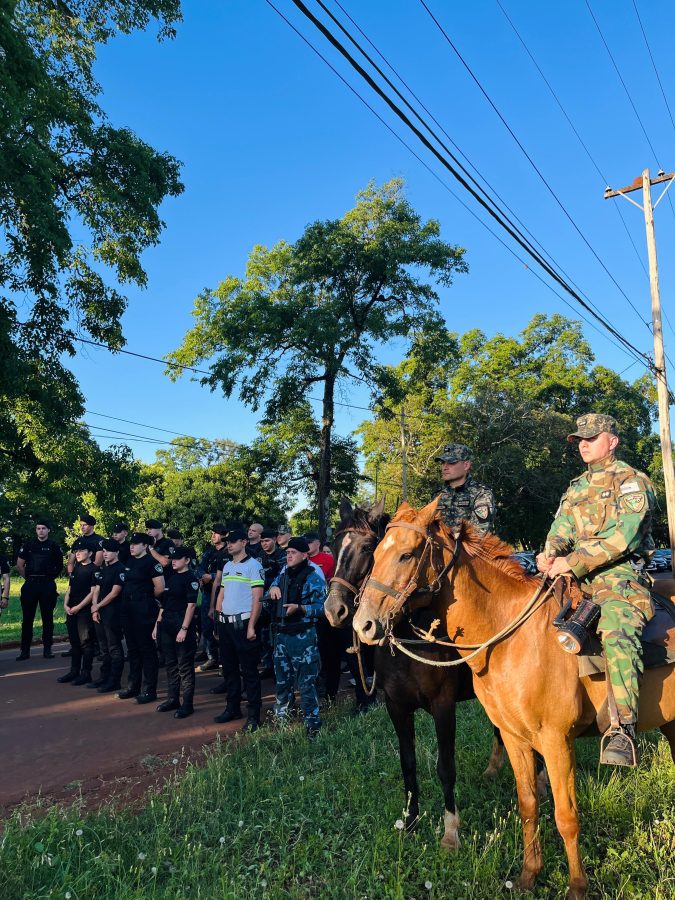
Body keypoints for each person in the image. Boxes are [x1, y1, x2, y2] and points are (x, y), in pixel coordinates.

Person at [536, 413, 656, 767]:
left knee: (617, 630)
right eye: (579, 440)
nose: (583, 445)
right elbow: (561, 528)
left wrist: (572, 561)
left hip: (619, 578)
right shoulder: (575, 487)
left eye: (591, 438)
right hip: (575, 580)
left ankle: (623, 729)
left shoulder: (631, 481)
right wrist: (549, 553)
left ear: (612, 441)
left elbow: (625, 536)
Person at [267, 536, 326, 738]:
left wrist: (300, 608)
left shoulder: (313, 578)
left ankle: (313, 727)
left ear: (304, 555)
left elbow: (324, 608)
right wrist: (273, 588)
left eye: (293, 553)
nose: (289, 556)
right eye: (287, 553)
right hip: (282, 636)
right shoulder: (283, 574)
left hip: (303, 637)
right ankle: (282, 723)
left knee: (307, 685)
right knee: (282, 682)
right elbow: (270, 592)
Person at [213, 528, 265, 731]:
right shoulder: (227, 565)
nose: (229, 544)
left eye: (233, 541)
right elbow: (222, 593)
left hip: (243, 625)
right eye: (228, 542)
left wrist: (251, 626)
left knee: (249, 671)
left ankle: (254, 715)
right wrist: (218, 621)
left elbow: (257, 598)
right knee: (229, 669)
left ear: (244, 542)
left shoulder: (254, 566)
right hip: (225, 624)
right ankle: (232, 707)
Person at [119, 532, 165, 703]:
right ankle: (133, 686)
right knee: (132, 649)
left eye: (136, 544)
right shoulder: (130, 561)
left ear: (145, 546)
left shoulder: (152, 563)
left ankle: (149, 690)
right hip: (128, 609)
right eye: (131, 543)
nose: (131, 546)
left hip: (143, 609)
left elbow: (160, 587)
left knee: (146, 650)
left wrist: (145, 598)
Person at [154, 547, 199, 718]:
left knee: (184, 666)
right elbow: (164, 604)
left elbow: (191, 605)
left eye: (178, 558)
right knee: (170, 664)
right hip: (167, 623)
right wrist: (157, 625)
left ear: (187, 560)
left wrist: (184, 629)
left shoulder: (191, 578)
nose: (173, 561)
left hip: (182, 623)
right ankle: (173, 699)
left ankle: (187, 704)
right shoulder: (171, 577)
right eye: (172, 558)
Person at [15, 519, 63, 660]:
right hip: (30, 585)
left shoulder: (54, 546)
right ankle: (25, 651)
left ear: (48, 530)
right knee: (27, 619)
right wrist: (29, 578)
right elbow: (19, 565)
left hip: (47, 585)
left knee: (47, 619)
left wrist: (49, 578)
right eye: (38, 528)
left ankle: (47, 649)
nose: (40, 531)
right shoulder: (28, 545)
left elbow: (59, 566)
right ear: (36, 530)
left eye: (43, 528)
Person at [57, 545, 98, 684]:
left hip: (84, 610)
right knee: (74, 642)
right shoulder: (76, 568)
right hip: (71, 609)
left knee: (85, 642)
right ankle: (74, 671)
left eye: (81, 551)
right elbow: (70, 588)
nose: (77, 554)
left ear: (90, 553)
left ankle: (86, 673)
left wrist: (79, 607)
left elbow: (93, 592)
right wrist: (65, 604)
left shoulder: (94, 569)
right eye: (76, 551)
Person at [434, 443, 496, 536]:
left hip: (467, 545)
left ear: (466, 465)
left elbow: (478, 533)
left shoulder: (481, 494)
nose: (445, 467)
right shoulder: (437, 495)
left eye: (451, 462)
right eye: (443, 462)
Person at [90, 539, 126, 693]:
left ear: (116, 552)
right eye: (104, 551)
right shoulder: (103, 569)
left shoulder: (121, 569)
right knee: (103, 647)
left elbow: (115, 592)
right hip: (100, 612)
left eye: (109, 551)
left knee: (113, 646)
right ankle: (104, 676)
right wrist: (94, 608)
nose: (105, 554)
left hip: (113, 613)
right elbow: (97, 590)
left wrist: (97, 606)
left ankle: (114, 680)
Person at [196, 523, 228, 669]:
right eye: (212, 533)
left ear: (223, 535)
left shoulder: (229, 551)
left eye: (216, 533)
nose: (213, 535)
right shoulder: (208, 552)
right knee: (207, 627)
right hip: (208, 593)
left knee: (222, 629)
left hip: (225, 594)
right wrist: (204, 575)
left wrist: (212, 576)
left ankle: (224, 660)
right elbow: (199, 569)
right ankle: (212, 657)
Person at [258, 527, 286, 678]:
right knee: (264, 636)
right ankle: (268, 665)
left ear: (274, 540)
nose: (264, 544)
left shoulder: (282, 555)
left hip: (277, 601)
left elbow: (282, 577)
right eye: (262, 541)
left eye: (267, 540)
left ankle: (279, 668)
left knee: (276, 635)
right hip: (261, 600)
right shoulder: (258, 556)